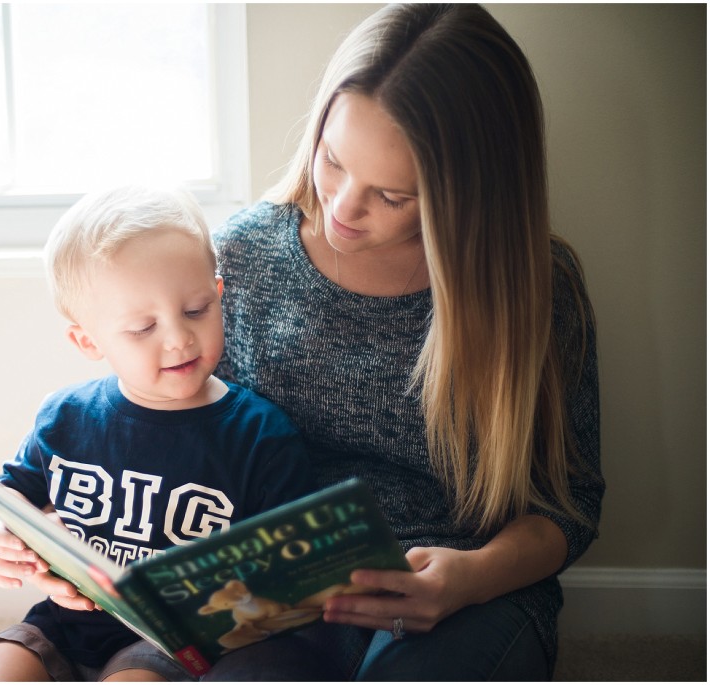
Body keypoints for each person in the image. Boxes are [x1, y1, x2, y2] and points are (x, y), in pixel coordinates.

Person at [204, 4, 605, 681]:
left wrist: (471, 578)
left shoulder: (533, 287)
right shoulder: (245, 255)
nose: (342, 207)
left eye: (391, 195)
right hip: (285, 597)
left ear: (468, 193)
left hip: (468, 596)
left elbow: (568, 505)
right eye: (332, 160)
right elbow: (177, 428)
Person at [0, 186, 313, 682]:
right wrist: (0, 532)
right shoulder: (64, 416)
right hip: (63, 623)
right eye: (142, 327)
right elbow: (9, 496)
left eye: (195, 310)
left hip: (167, 645)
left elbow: (295, 571)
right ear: (89, 340)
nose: (178, 338)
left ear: (218, 294)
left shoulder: (260, 433)